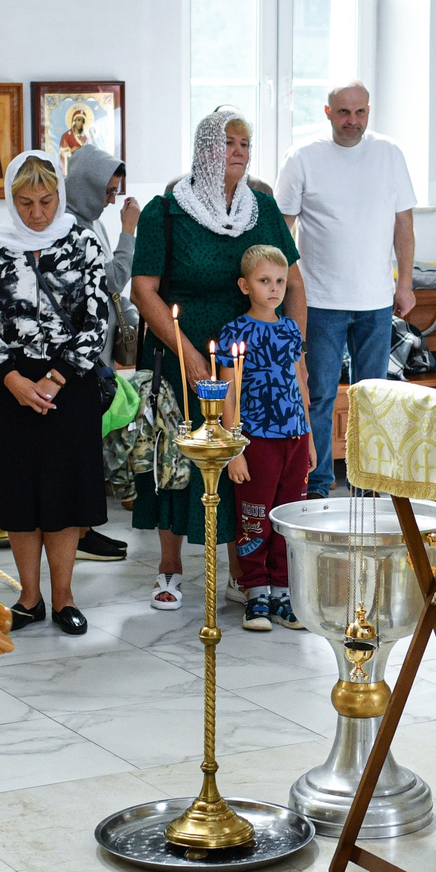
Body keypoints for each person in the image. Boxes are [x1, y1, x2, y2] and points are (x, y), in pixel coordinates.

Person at [131, 107, 301, 610]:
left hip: (252, 360)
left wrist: (297, 353)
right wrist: (187, 354)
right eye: (228, 142)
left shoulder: (263, 210)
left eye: (245, 144)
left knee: (246, 462)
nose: (238, 152)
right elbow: (143, 291)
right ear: (205, 148)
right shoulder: (166, 211)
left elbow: (294, 284)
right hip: (177, 353)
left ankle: (244, 575)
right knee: (174, 460)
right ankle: (170, 569)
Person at [0, 150, 111, 635]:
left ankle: (64, 596)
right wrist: (11, 378)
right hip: (10, 385)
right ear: (11, 199)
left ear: (60, 196)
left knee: (64, 492)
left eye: (46, 201)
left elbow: (96, 322)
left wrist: (54, 379)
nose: (37, 213)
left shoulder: (83, 242)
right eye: (25, 202)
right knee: (20, 493)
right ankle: (29, 598)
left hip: (69, 383)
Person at [277, 81, 418, 497]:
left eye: (360, 113)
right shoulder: (302, 157)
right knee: (319, 396)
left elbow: (404, 224)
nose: (352, 121)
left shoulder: (390, 153)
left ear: (369, 112)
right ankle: (318, 484)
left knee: (374, 399)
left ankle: (367, 483)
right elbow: (282, 231)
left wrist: (405, 282)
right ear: (327, 112)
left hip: (376, 301)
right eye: (343, 113)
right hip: (319, 302)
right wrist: (288, 293)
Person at [219, 245, 313, 631]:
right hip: (256, 440)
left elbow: (300, 383)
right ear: (245, 285)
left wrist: (311, 438)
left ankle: (283, 592)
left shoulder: (290, 329)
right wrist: (234, 448)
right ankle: (255, 592)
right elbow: (228, 392)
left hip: (294, 436)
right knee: (255, 517)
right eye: (264, 281)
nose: (274, 289)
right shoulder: (235, 332)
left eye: (279, 281)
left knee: (287, 518)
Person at [63, 143, 140, 565]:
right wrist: (130, 229)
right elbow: (113, 276)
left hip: (99, 348)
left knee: (91, 442)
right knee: (82, 445)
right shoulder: (73, 227)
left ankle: (85, 528)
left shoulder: (90, 222)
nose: (112, 201)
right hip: (82, 354)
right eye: (107, 192)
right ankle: (80, 531)